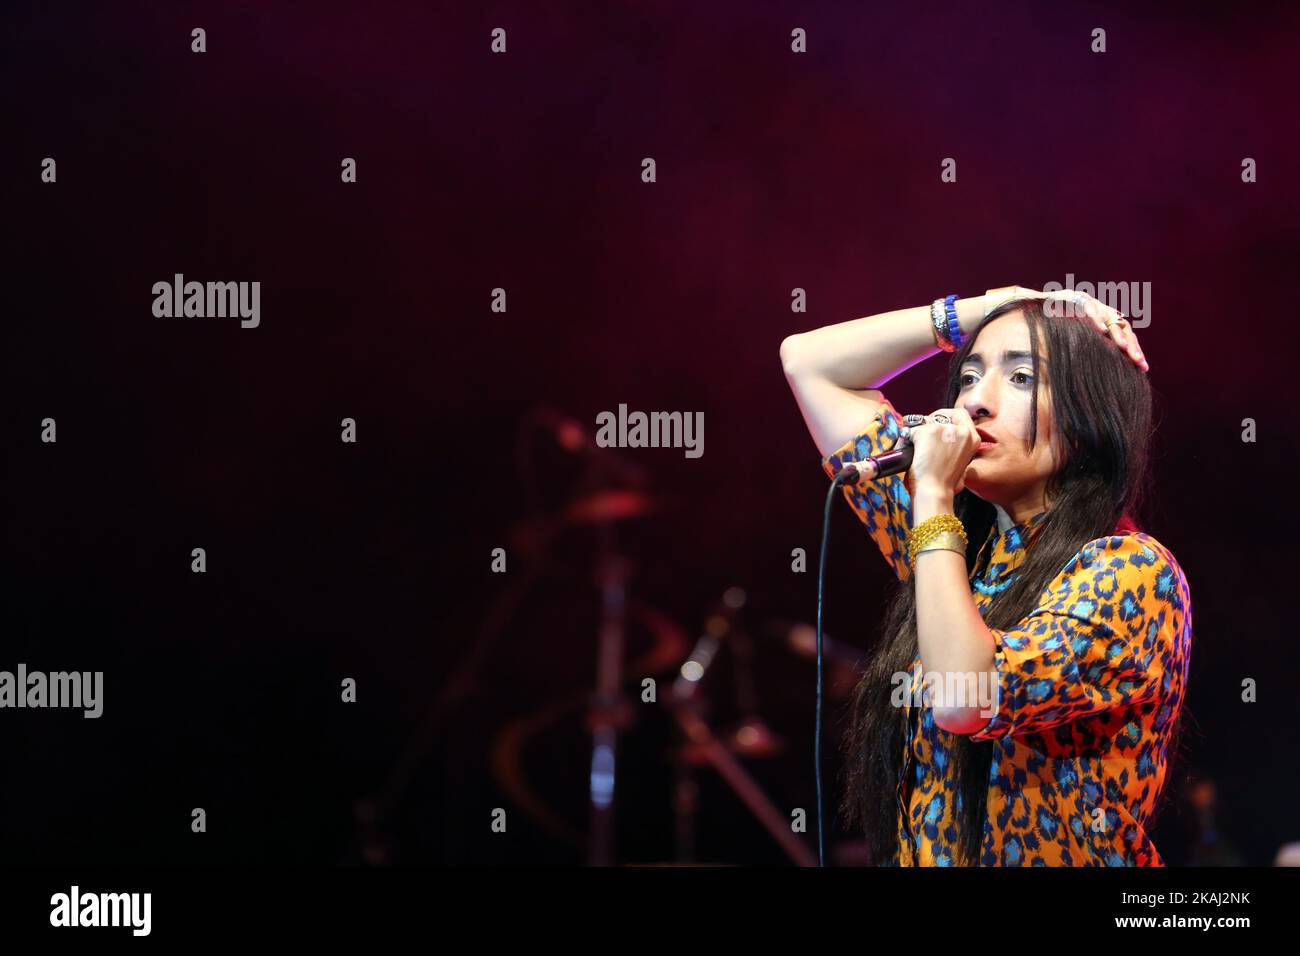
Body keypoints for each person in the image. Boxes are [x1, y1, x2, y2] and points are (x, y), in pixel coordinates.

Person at [780, 287, 1193, 866]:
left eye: (1022, 378)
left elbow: (964, 698)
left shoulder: (1131, 571)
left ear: (1090, 415)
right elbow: (811, 362)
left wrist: (931, 494)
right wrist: (1002, 303)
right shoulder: (962, 552)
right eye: (968, 377)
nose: (975, 402)